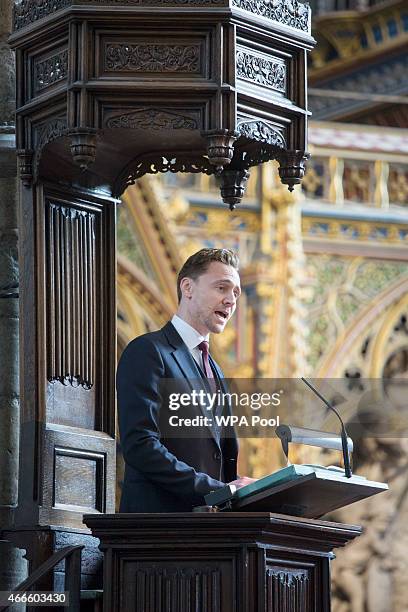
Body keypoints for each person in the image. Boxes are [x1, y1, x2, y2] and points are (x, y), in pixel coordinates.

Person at [117, 247, 255, 512]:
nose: (230, 300)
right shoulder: (149, 351)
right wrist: (215, 491)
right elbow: (140, 445)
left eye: (235, 293)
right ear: (188, 287)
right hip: (157, 529)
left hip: (209, 535)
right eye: (221, 288)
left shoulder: (215, 369)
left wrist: (242, 490)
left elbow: (217, 457)